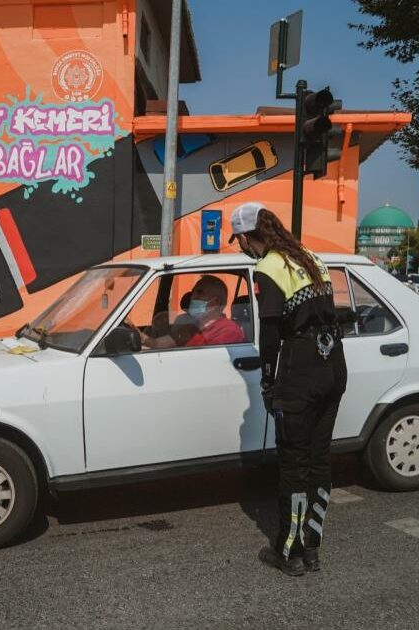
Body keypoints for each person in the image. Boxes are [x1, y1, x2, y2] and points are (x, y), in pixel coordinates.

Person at [229, 201, 348, 577]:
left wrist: (267, 379)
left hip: (300, 369)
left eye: (240, 241)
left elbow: (270, 334)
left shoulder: (268, 267)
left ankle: (287, 552)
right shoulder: (309, 257)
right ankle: (312, 549)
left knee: (293, 466)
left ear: (250, 237)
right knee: (318, 459)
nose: (241, 248)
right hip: (333, 364)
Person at [139, 275, 245, 349]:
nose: (193, 297)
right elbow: (157, 344)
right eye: (193, 292)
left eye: (199, 293)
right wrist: (140, 336)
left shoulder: (229, 331)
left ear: (216, 302)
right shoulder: (192, 328)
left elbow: (211, 363)